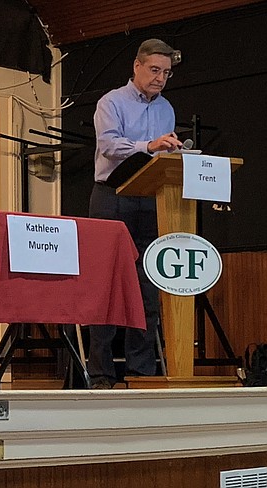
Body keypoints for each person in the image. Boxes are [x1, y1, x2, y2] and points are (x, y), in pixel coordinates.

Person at [88, 39, 183, 389]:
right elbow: (109, 146)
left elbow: (161, 155)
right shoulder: (111, 102)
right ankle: (101, 374)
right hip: (112, 196)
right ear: (137, 66)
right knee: (108, 284)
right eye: (155, 70)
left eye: (167, 73)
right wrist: (149, 146)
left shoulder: (167, 108)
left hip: (150, 198)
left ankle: (141, 373)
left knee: (148, 286)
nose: (160, 78)